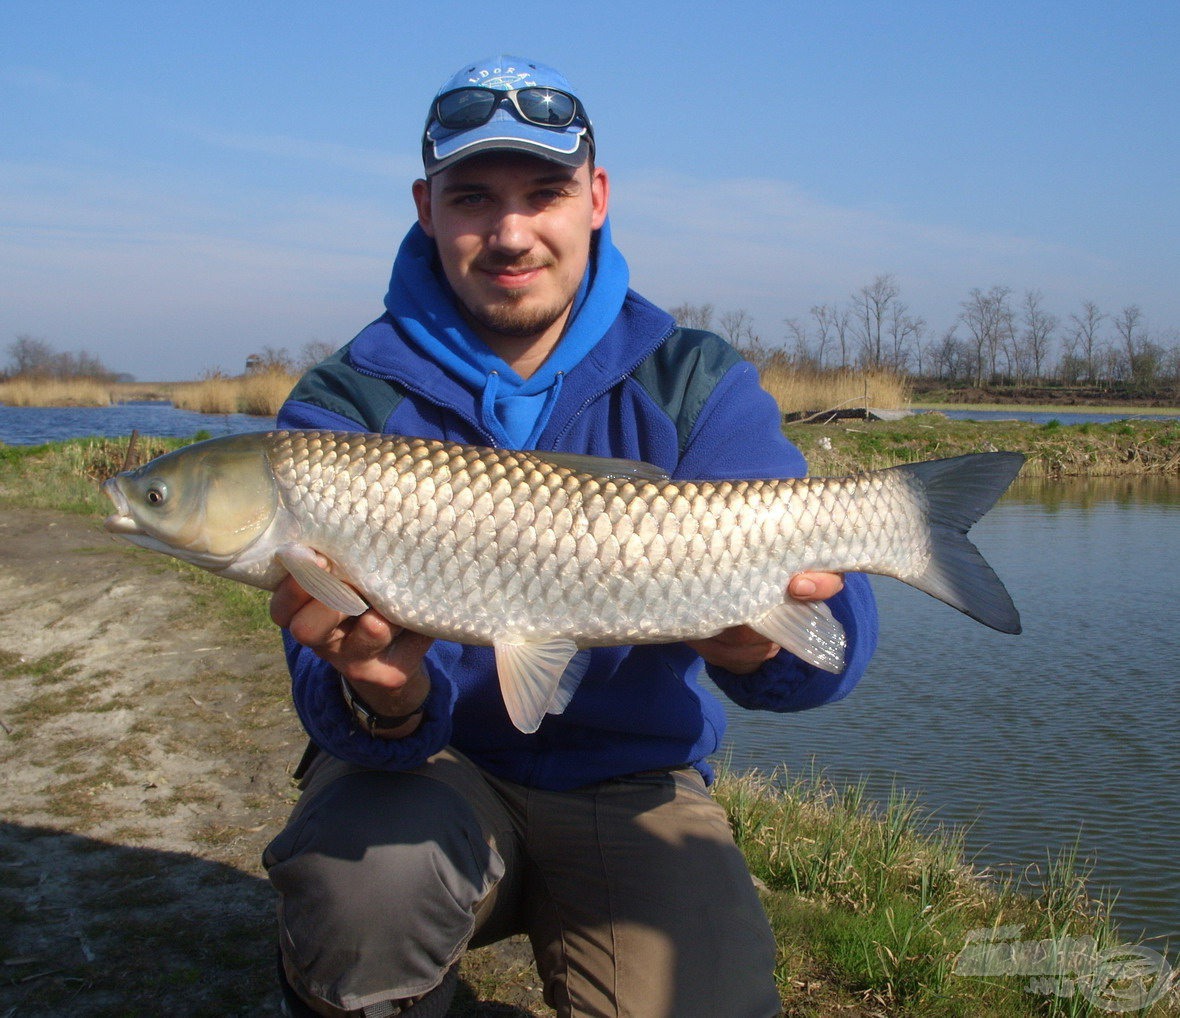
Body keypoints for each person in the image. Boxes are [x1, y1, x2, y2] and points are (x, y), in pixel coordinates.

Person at [264, 55, 878, 1018]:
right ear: (426, 208)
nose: (510, 234)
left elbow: (830, 639)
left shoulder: (692, 378)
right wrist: (384, 700)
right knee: (361, 896)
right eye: (473, 198)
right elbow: (317, 667)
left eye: (543, 193)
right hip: (433, 772)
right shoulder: (343, 405)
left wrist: (760, 646)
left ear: (594, 198)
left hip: (632, 781)